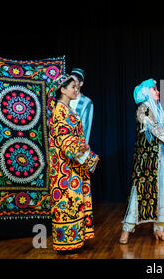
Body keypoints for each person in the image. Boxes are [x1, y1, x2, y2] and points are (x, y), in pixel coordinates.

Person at [119, 79, 164, 244]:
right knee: (140, 194)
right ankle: (126, 230)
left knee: (163, 192)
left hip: (160, 159)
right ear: (145, 92)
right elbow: (155, 130)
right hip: (146, 162)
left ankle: (160, 230)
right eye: (154, 89)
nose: (158, 92)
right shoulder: (143, 109)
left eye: (157, 89)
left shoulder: (158, 109)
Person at [49, 74, 100, 254]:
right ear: (62, 90)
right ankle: (66, 244)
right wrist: (87, 154)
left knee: (76, 201)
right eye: (73, 87)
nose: (76, 90)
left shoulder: (69, 110)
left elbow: (75, 137)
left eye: (77, 87)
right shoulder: (59, 111)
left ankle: (76, 240)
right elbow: (65, 141)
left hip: (74, 167)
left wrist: (83, 145)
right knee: (67, 201)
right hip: (65, 167)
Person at [70, 67, 94, 144]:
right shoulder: (64, 99)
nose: (72, 83)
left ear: (81, 83)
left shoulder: (86, 102)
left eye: (75, 81)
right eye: (70, 81)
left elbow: (85, 127)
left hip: (76, 145)